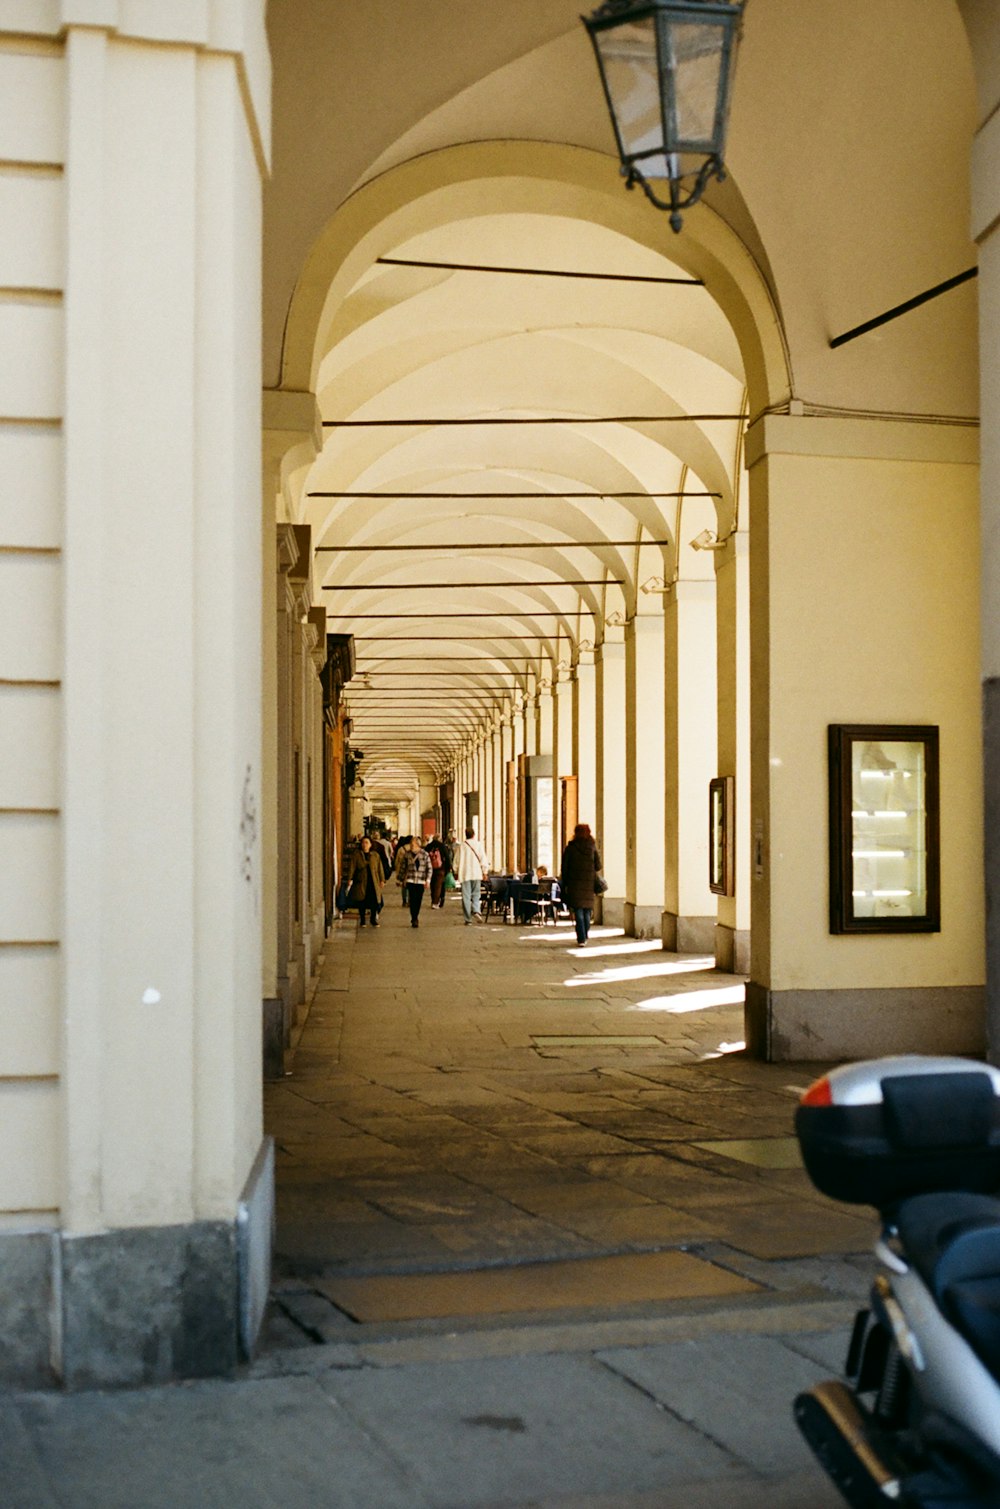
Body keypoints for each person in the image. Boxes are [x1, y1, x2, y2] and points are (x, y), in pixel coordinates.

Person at [559, 823, 603, 946]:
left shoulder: (570, 848)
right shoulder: (592, 847)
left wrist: (566, 883)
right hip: (589, 884)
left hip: (574, 884)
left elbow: (564, 868)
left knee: (578, 911)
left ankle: (581, 938)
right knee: (587, 911)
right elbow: (598, 866)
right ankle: (585, 934)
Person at [345, 836, 385, 928]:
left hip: (373, 881)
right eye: (363, 843)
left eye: (367, 843)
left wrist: (382, 879)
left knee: (374, 901)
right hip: (361, 881)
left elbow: (380, 868)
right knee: (361, 900)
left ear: (370, 844)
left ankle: (373, 919)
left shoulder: (375, 855)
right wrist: (350, 878)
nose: (365, 845)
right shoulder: (357, 855)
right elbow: (352, 867)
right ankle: (362, 919)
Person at [454, 826, 489, 924]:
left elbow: (456, 860)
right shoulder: (478, 845)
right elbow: (483, 859)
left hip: (465, 874)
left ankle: (468, 919)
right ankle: (476, 910)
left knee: (466, 896)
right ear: (474, 834)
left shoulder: (461, 846)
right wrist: (485, 872)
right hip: (476, 873)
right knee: (476, 894)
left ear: (466, 835)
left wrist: (456, 871)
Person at [399, 835, 432, 927]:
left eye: (413, 844)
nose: (411, 846)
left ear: (418, 845)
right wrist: (400, 879)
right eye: (411, 844)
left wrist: (428, 880)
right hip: (411, 879)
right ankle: (414, 918)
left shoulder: (425, 854)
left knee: (418, 900)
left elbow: (429, 868)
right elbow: (403, 867)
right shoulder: (407, 854)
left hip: (421, 880)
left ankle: (415, 915)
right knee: (412, 899)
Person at [425, 833, 451, 909]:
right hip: (441, 869)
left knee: (433, 885)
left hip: (430, 868)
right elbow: (447, 857)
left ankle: (433, 900)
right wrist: (448, 868)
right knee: (438, 886)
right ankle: (435, 903)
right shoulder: (442, 846)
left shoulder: (429, 846)